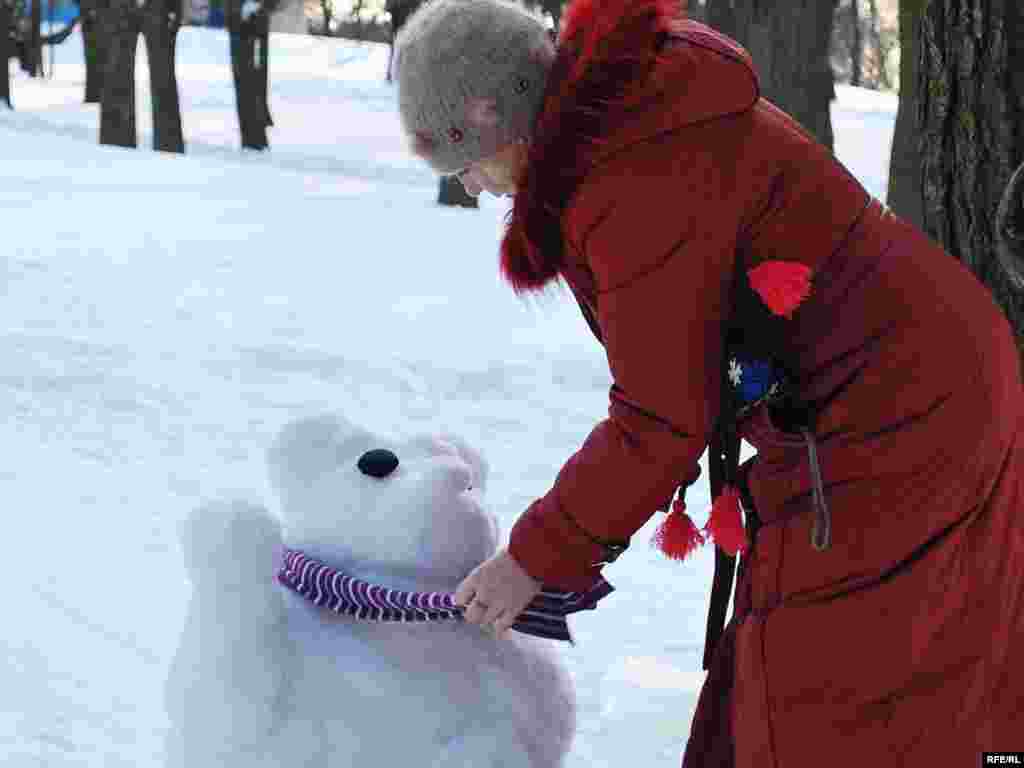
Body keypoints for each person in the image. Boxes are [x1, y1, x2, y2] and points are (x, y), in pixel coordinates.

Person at [393, 0, 1024, 765]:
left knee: (823, 691)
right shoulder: (626, 126)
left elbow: (659, 418)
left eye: (464, 165)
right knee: (812, 674)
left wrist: (534, 556)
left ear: (496, 118)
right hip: (893, 395)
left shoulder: (631, 176)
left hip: (901, 415)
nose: (473, 189)